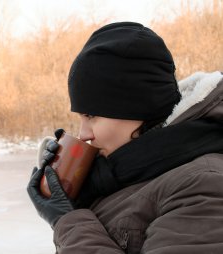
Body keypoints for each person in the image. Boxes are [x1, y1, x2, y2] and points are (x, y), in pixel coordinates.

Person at [27, 21, 223, 253]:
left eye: (91, 115)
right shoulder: (130, 170)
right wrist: (78, 187)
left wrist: (68, 223)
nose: (83, 133)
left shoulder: (204, 185)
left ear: (137, 109)